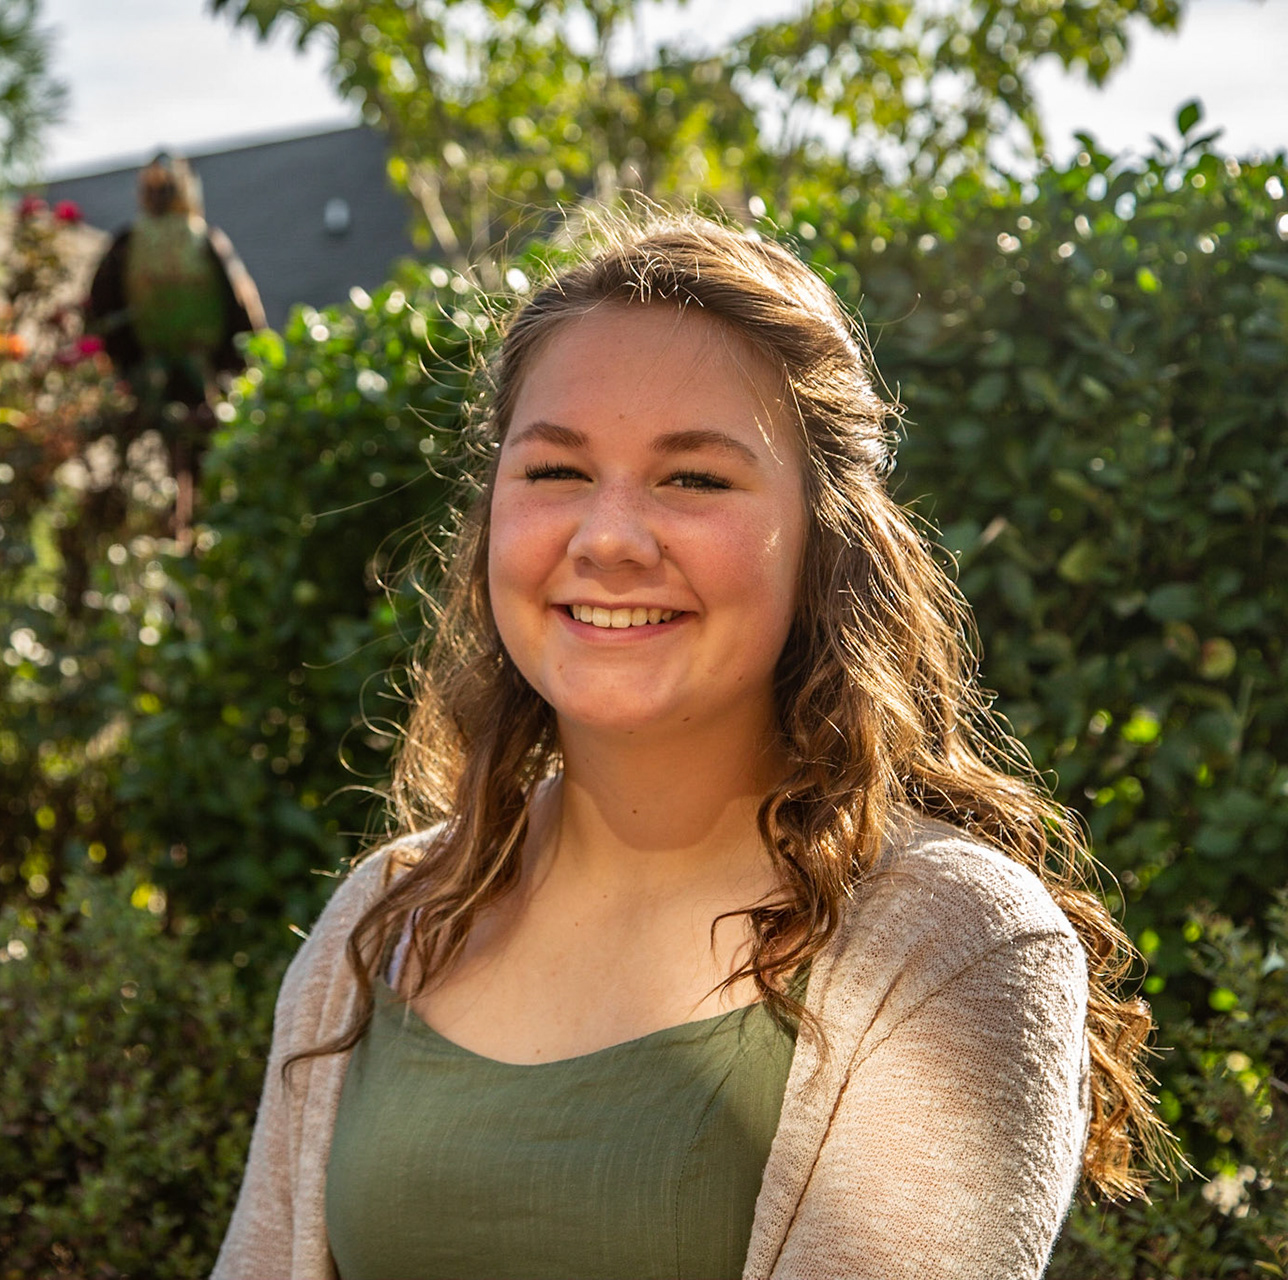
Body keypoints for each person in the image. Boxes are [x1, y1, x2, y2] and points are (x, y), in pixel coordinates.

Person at [211, 212, 1167, 1280]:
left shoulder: (953, 944)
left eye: (694, 478)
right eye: (555, 471)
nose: (609, 536)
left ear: (825, 538)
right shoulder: (382, 918)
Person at [84, 151, 265, 540]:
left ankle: (187, 535)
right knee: (178, 471)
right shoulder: (193, 238)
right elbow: (246, 314)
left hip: (178, 377)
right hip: (161, 376)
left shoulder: (143, 241)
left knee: (186, 469)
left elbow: (241, 314)